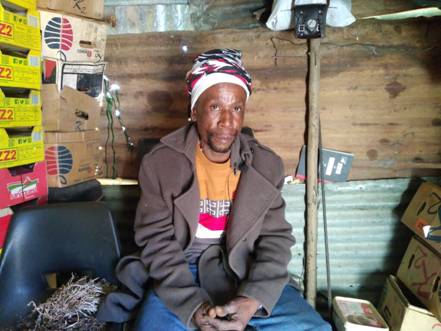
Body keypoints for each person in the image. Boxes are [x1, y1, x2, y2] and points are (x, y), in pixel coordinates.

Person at [98, 49, 332, 331]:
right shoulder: (161, 163)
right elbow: (156, 241)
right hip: (181, 270)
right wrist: (193, 306)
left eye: (236, 108)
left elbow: (276, 239)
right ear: (194, 110)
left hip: (243, 268)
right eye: (215, 107)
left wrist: (252, 298)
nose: (228, 122)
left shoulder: (265, 165)